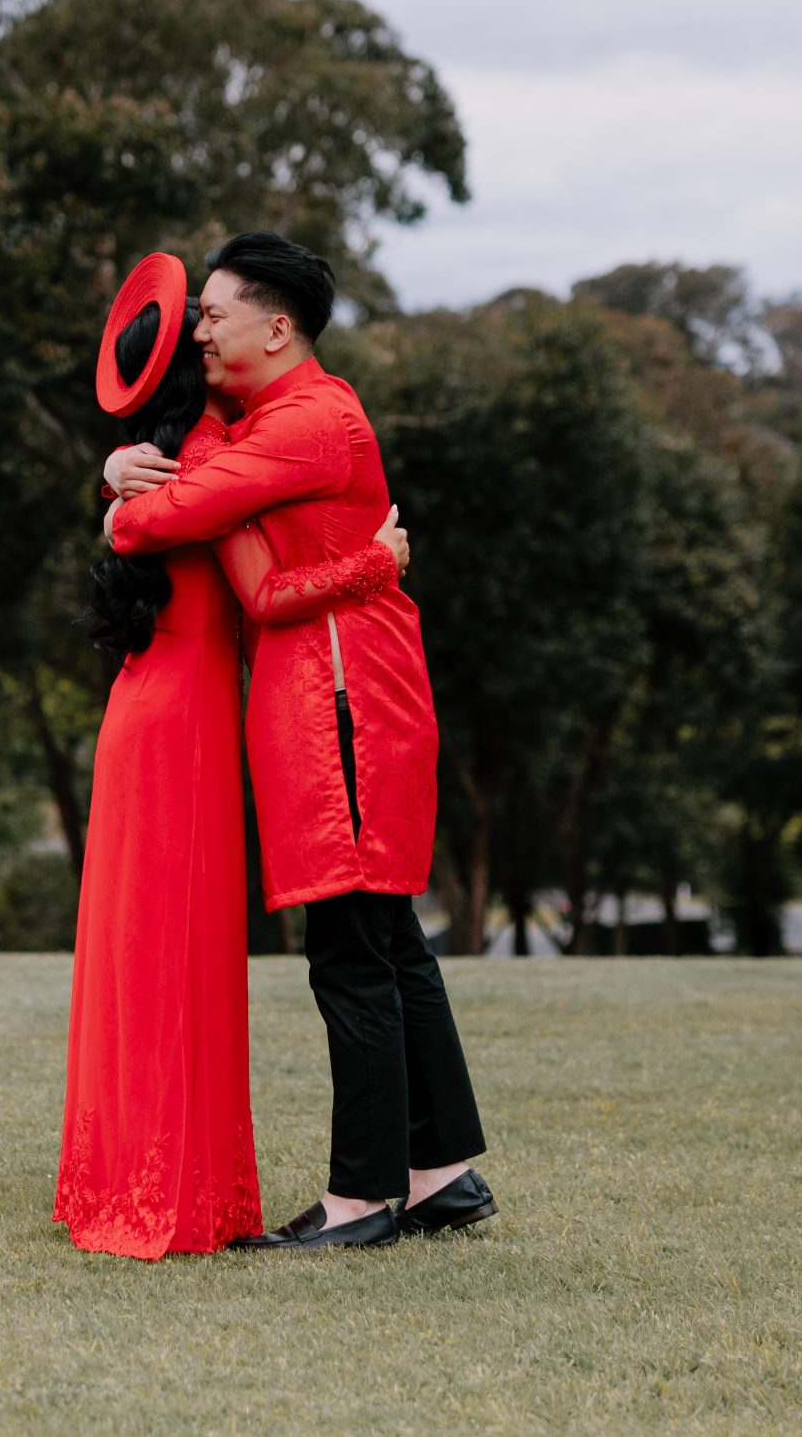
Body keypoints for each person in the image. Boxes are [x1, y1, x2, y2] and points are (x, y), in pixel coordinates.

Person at [105, 231, 495, 1251]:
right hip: (345, 692)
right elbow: (197, 498)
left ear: (275, 325)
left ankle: (364, 1197)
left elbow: (168, 514)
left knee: (352, 952)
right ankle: (440, 1170)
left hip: (343, 704)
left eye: (215, 312)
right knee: (388, 936)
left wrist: (117, 513)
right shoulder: (276, 417)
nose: (199, 327)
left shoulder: (310, 422)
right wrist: (113, 464)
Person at [56, 253, 407, 1260]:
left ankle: (126, 1171)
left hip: (142, 709)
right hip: (188, 722)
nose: (205, 336)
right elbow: (255, 592)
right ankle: (177, 1185)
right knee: (174, 951)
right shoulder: (212, 457)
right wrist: (377, 562)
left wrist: (112, 479)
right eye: (197, 328)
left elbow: (147, 524)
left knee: (137, 945)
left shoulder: (170, 453)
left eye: (215, 318)